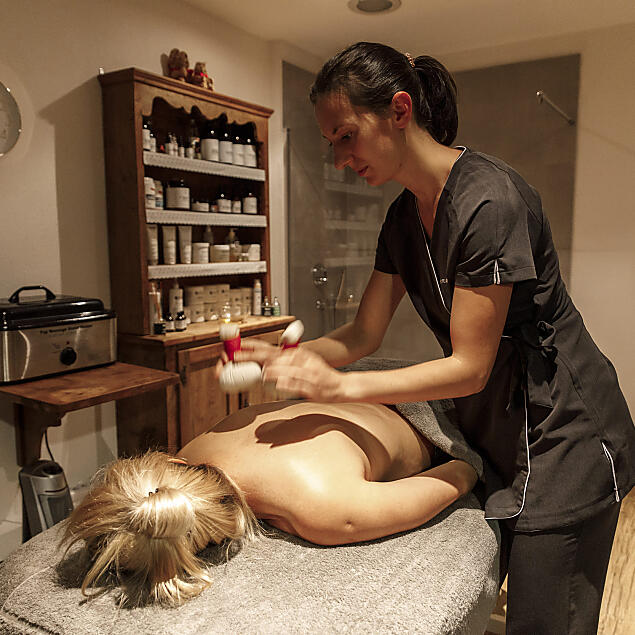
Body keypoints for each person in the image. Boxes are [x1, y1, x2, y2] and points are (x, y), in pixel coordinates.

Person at [228, 42, 635, 633]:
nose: (338, 159)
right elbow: (363, 332)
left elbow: (470, 366)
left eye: (346, 136)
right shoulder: (402, 218)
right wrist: (290, 358)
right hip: (502, 420)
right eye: (330, 143)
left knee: (548, 620)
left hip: (565, 431)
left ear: (399, 110)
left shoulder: (488, 202)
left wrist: (339, 388)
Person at [61, 399, 477, 606]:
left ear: (210, 541)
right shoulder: (194, 451)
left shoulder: (322, 507)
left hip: (435, 415)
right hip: (372, 387)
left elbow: (461, 473)